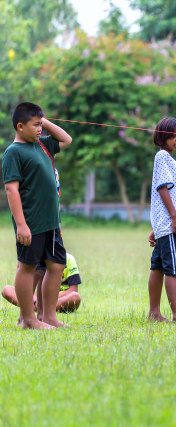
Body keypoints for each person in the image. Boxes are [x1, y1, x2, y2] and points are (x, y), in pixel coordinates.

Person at [2, 102, 72, 329]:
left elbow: (66, 139)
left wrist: (43, 121)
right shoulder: (13, 152)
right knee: (28, 267)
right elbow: (11, 189)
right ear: (20, 126)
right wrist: (21, 225)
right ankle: (29, 319)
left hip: (51, 221)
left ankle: (49, 316)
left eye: (41, 125)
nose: (40, 129)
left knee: (56, 266)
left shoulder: (42, 144)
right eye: (35, 125)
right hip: (31, 223)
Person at [147, 117, 176, 324]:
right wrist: (174, 218)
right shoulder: (163, 156)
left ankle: (154, 314)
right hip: (169, 225)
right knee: (173, 269)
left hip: (162, 225)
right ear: (163, 137)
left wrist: (155, 227)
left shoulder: (166, 158)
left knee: (157, 268)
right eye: (174, 135)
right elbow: (163, 188)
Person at [2, 253, 83, 321]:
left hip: (60, 299)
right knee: (7, 290)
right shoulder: (37, 258)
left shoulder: (68, 259)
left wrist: (48, 300)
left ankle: (39, 307)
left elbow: (73, 290)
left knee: (75, 297)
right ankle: (40, 307)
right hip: (36, 298)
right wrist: (37, 300)